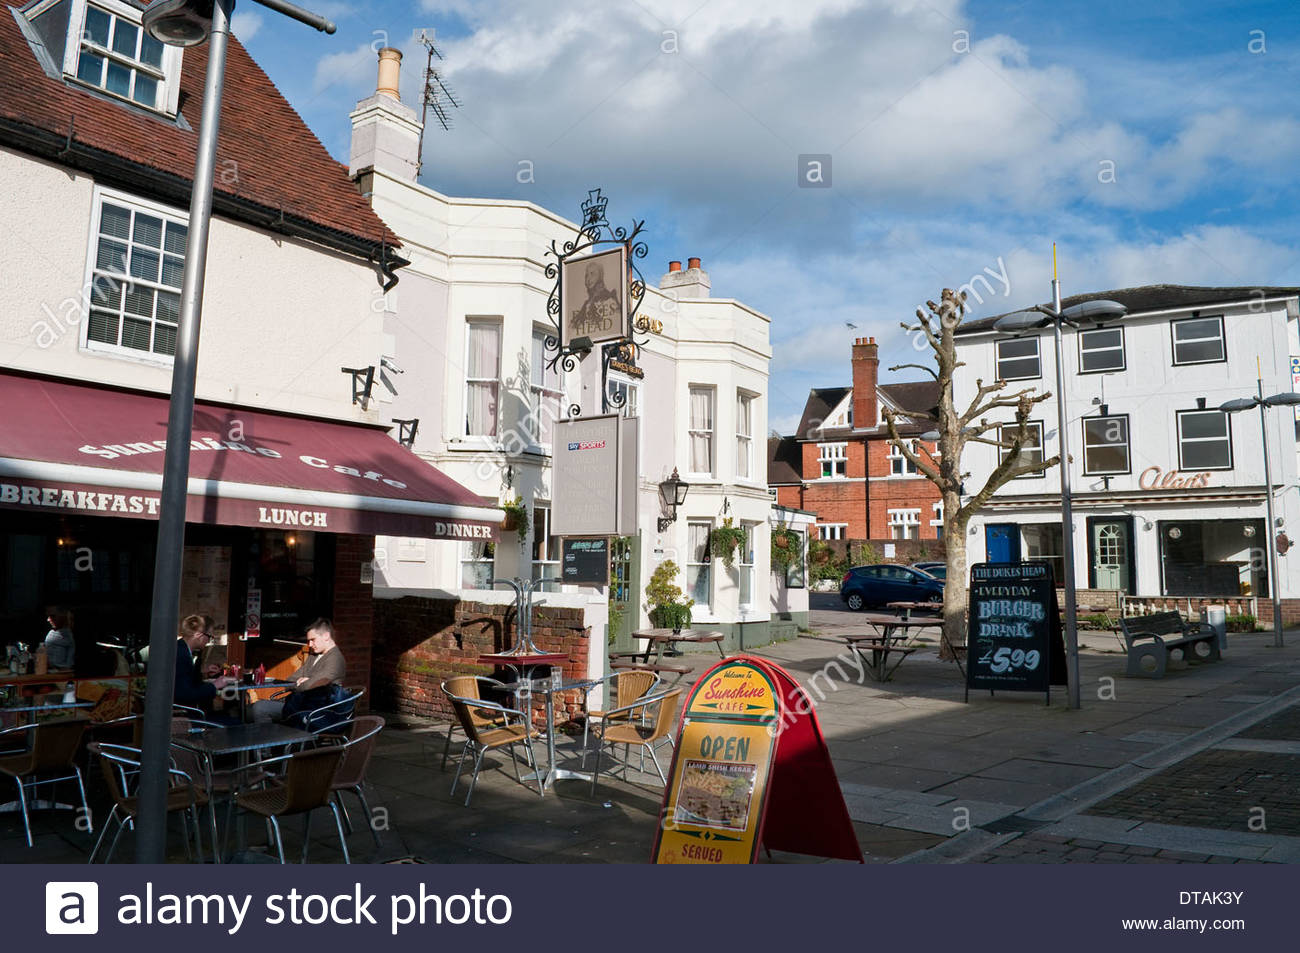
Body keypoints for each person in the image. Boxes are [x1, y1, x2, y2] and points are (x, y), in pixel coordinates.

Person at [250, 618, 346, 724]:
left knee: (259, 708)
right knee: (249, 709)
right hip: (300, 703)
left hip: (314, 711)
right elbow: (289, 681)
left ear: (326, 636)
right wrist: (303, 682)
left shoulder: (335, 660)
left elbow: (308, 685)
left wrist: (306, 682)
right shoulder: (314, 655)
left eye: (313, 640)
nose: (309, 644)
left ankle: (272, 739)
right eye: (308, 641)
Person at [174, 614, 234, 715]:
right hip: (184, 717)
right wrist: (215, 685)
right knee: (236, 722)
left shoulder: (181, 648)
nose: (208, 641)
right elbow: (185, 694)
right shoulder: (182, 656)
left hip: (185, 712)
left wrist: (202, 671)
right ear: (198, 634)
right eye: (209, 636)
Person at [569, 259, 621, 339]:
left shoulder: (609, 298)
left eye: (592, 274)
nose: (588, 279)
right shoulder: (587, 303)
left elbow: (617, 322)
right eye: (586, 275)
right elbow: (571, 329)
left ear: (600, 276)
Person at [43, 606, 75, 671]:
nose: (48, 620)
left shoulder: (71, 636)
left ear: (63, 615)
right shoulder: (51, 634)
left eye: (52, 616)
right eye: (48, 616)